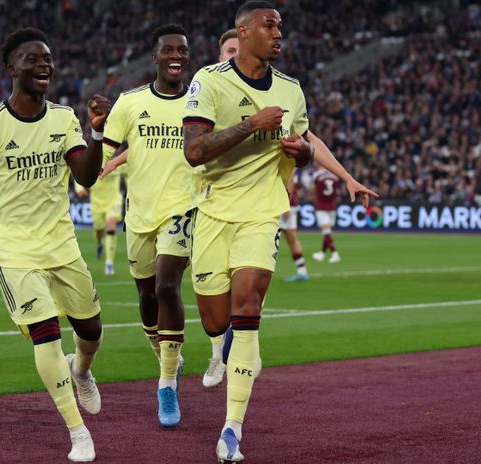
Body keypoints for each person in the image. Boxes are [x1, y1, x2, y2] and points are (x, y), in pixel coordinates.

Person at [0, 27, 108, 462]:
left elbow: (84, 176)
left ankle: (81, 370)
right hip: (12, 249)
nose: (43, 64)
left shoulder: (64, 118)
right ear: (11, 68)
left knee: (91, 330)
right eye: (32, 58)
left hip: (61, 243)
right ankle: (78, 433)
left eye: (47, 58)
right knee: (46, 333)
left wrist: (97, 135)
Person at [182, 2, 318, 460]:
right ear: (244, 31)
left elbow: (303, 152)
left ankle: (231, 430)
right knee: (216, 322)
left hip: (262, 212)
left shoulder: (292, 90)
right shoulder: (210, 80)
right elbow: (194, 152)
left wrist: (300, 152)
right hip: (215, 212)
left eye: (281, 26)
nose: (279, 33)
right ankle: (229, 346)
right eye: (269, 25)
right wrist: (251, 125)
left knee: (248, 306)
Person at [98, 24, 193, 429]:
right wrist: (93, 131)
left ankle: (166, 384)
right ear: (154, 57)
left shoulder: (201, 102)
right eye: (168, 49)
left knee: (167, 286)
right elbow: (101, 151)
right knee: (146, 297)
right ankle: (165, 352)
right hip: (138, 214)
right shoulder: (130, 102)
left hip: (184, 209)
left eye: (183, 50)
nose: (176, 56)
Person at [74, 162, 123, 276]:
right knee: (99, 232)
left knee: (111, 228)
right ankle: (99, 243)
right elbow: (79, 173)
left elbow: (131, 170)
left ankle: (109, 263)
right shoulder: (93, 164)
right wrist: (79, 188)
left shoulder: (116, 164)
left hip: (114, 202)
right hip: (97, 205)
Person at [280, 168, 309, 281]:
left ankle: (302, 271)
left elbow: (290, 180)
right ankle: (302, 271)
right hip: (285, 205)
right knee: (291, 240)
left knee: (292, 239)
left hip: (286, 206)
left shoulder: (289, 165)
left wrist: (286, 204)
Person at [311, 162, 342, 263]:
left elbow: (312, 189)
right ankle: (322, 254)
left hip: (321, 206)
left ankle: (335, 254)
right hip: (332, 206)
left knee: (326, 232)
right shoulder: (335, 176)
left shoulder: (316, 175)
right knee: (327, 231)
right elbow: (337, 192)